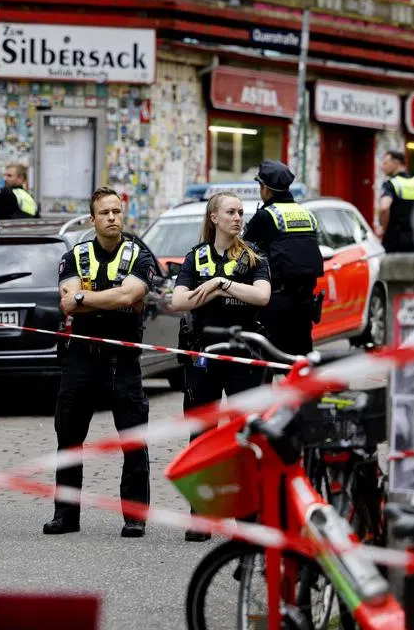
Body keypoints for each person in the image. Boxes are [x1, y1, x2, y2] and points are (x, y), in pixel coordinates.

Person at [46, 187, 157, 538]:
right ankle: (66, 516)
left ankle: (135, 517)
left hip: (123, 359)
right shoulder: (75, 256)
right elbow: (69, 303)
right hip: (82, 357)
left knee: (133, 439)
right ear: (93, 220)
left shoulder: (139, 255)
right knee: (68, 438)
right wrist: (111, 298)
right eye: (105, 213)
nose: (112, 218)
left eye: (116, 211)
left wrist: (86, 297)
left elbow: (130, 294)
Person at [168, 191, 271, 541]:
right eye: (231, 212)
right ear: (214, 217)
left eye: (241, 212)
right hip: (204, 356)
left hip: (244, 357)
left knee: (246, 436)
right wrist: (213, 289)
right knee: (202, 437)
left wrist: (220, 283)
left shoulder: (254, 257)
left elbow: (262, 296)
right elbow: (178, 300)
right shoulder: (196, 257)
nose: (238, 218)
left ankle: (249, 521)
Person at [242, 159, 324, 359]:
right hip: (304, 304)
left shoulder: (266, 216)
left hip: (275, 302)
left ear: (266, 189)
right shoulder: (307, 214)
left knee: (267, 360)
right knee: (300, 360)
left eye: (260, 186)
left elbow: (244, 251)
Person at [378, 150, 414, 253]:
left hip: (395, 241)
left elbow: (384, 207)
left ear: (395, 163)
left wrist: (383, 228)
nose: (382, 166)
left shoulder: (391, 184)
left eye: (385, 163)